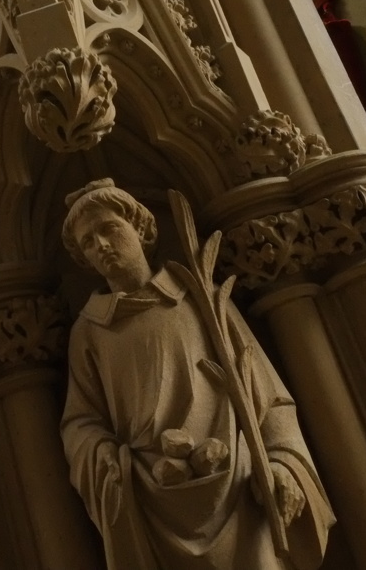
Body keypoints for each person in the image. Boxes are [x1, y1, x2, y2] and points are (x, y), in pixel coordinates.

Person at [60, 179, 334, 570]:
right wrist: (105, 463)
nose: (100, 245)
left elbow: (268, 395)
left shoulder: (202, 299)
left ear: (138, 227)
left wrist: (282, 462)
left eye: (109, 229)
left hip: (237, 488)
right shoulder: (90, 332)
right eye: (88, 242)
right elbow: (80, 421)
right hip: (154, 499)